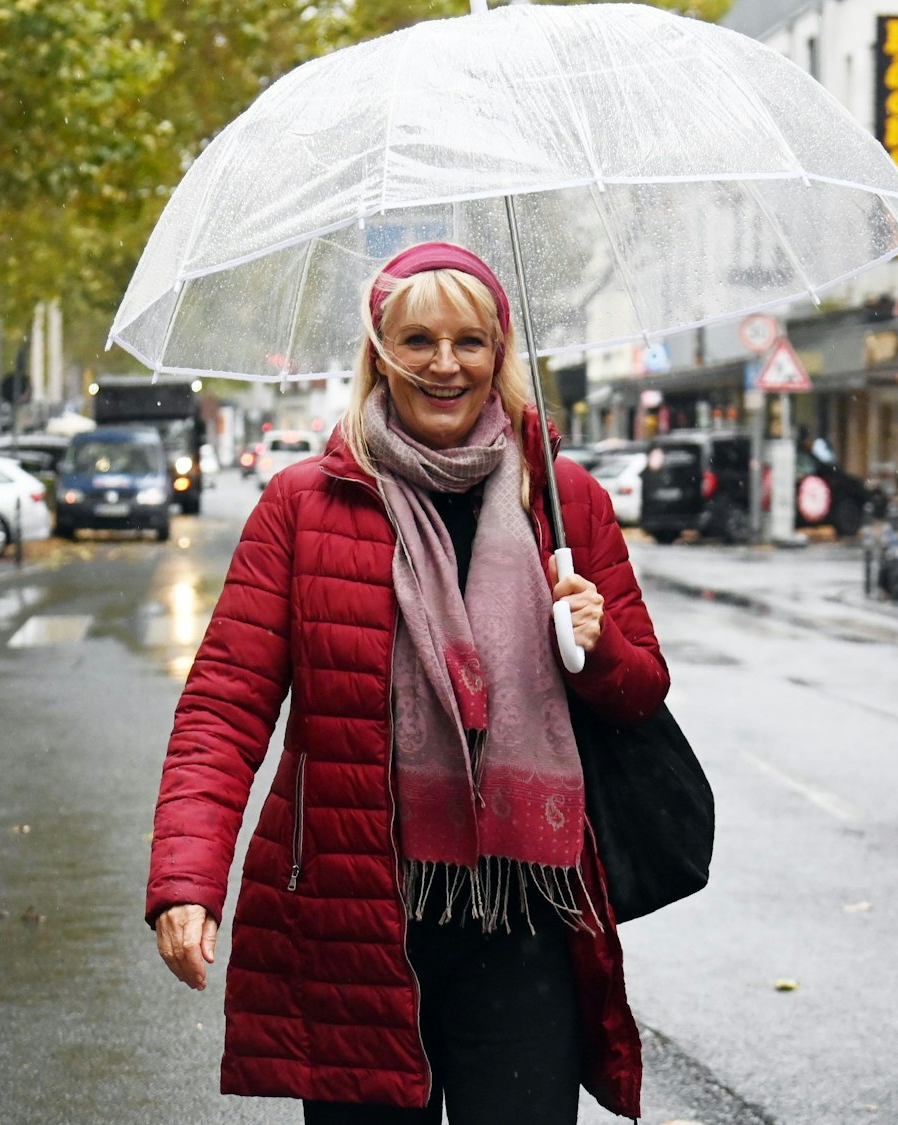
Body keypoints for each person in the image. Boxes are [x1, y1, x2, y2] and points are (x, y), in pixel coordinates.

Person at [146, 242, 670, 1124]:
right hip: (358, 917)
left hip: (526, 920)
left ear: (500, 354)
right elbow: (224, 706)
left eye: (470, 341)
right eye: (417, 338)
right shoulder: (304, 505)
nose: (444, 362)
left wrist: (600, 642)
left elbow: (641, 691)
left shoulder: (563, 499)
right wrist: (187, 880)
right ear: (378, 353)